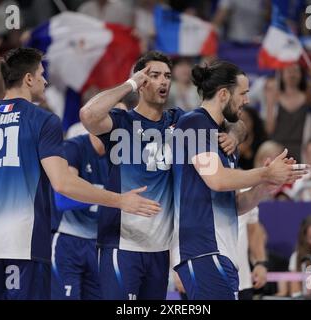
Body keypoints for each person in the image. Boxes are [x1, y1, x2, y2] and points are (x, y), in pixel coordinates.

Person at [0, 47, 160, 300]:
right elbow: (63, 183)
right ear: (28, 79)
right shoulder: (44, 121)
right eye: (41, 74)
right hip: (25, 245)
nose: (45, 81)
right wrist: (120, 200)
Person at [79, 50, 238, 300]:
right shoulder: (121, 123)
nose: (163, 81)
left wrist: (234, 135)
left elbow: (233, 117)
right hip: (122, 243)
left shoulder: (181, 122)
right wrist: (130, 83)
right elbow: (88, 115)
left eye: (167, 76)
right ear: (141, 82)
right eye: (154, 75)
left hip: (161, 248)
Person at [172, 60, 306, 300]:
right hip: (202, 249)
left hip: (225, 251)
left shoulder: (226, 138)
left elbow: (236, 205)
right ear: (223, 94)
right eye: (243, 93)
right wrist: (265, 172)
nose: (247, 100)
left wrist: (265, 185)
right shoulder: (193, 123)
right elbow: (217, 179)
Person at [51, 133, 108, 300]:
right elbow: (63, 198)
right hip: (69, 240)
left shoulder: (121, 155)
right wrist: (110, 197)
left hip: (101, 243)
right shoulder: (73, 147)